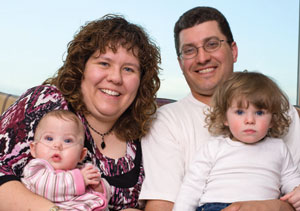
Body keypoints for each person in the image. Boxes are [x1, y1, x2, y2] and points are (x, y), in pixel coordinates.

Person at [139, 6, 300, 211]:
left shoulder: (276, 106)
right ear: (180, 63)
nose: (202, 57)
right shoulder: (166, 121)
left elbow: (294, 189)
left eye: (212, 44)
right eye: (189, 50)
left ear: (233, 50)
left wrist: (271, 207)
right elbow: (163, 204)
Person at [0, 14, 161, 211]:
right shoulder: (46, 102)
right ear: (81, 68)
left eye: (128, 69)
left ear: (141, 81)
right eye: (104, 63)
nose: (115, 78)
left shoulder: (147, 134)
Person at [173, 71, 300, 211]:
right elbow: (192, 186)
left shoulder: (278, 147)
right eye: (240, 112)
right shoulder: (214, 147)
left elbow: (291, 179)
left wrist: (296, 192)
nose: (250, 120)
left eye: (259, 113)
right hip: (214, 207)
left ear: (272, 120)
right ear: (225, 118)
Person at [22, 110, 108, 211]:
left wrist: (97, 186)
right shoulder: (35, 169)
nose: (57, 145)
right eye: (49, 138)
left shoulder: (82, 170)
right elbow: (46, 188)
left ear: (81, 154)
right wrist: (81, 179)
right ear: (34, 149)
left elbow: (104, 196)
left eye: (67, 140)